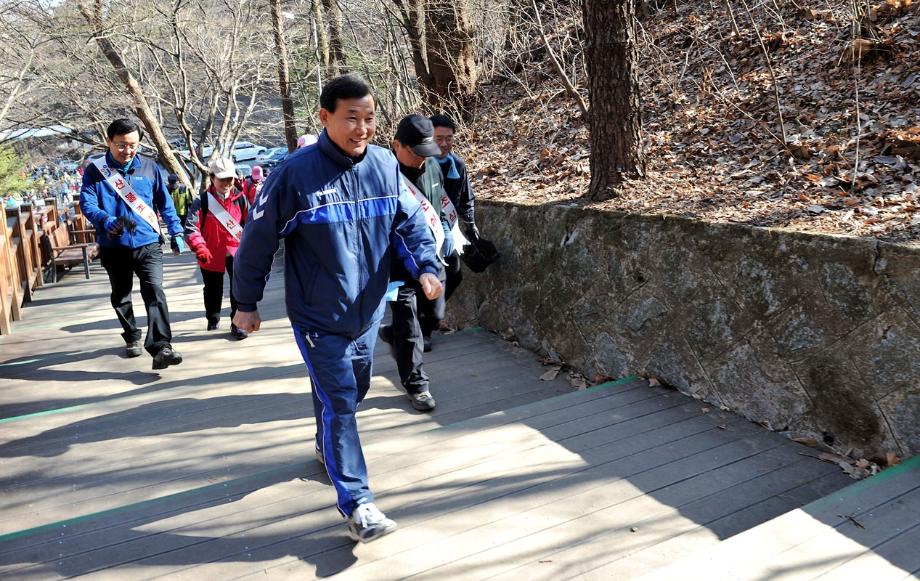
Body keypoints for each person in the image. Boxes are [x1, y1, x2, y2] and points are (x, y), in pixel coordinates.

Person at [231, 74, 442, 543]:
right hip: (316, 316)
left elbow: (410, 225)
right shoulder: (293, 174)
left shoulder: (386, 166)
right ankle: (358, 503)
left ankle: (327, 443)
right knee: (342, 399)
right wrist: (245, 303)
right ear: (325, 118)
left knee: (350, 390)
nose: (361, 128)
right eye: (351, 118)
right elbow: (256, 243)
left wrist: (427, 267)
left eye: (369, 119)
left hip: (367, 311)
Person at [80, 118, 186, 370]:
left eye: (133, 145)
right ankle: (131, 335)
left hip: (148, 243)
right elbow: (88, 204)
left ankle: (162, 347)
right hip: (113, 246)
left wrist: (176, 232)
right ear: (109, 142)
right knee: (121, 295)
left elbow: (165, 203)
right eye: (121, 145)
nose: (127, 151)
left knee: (155, 292)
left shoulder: (150, 168)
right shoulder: (95, 171)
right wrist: (106, 220)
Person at [378, 114, 455, 411]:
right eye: (416, 153)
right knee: (408, 321)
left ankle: (392, 334)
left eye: (428, 153)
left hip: (430, 257)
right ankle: (417, 384)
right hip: (397, 264)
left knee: (434, 315)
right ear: (397, 144)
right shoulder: (383, 175)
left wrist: (448, 232)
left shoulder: (433, 165)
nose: (422, 160)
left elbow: (439, 203)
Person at [185, 157, 250, 339]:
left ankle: (238, 324)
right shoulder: (203, 201)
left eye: (230, 179)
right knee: (213, 289)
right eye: (222, 179)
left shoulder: (240, 199)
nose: (227, 183)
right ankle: (213, 317)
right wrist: (200, 248)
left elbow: (250, 225)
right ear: (212, 177)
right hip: (210, 253)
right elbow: (191, 228)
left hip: (236, 251)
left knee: (238, 288)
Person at [429, 114, 482, 301]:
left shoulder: (457, 165)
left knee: (454, 275)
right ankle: (417, 320)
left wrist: (471, 224)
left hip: (446, 229)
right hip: (421, 230)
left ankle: (427, 316)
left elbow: (466, 197)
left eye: (449, 138)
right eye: (439, 138)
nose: (444, 144)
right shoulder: (418, 163)